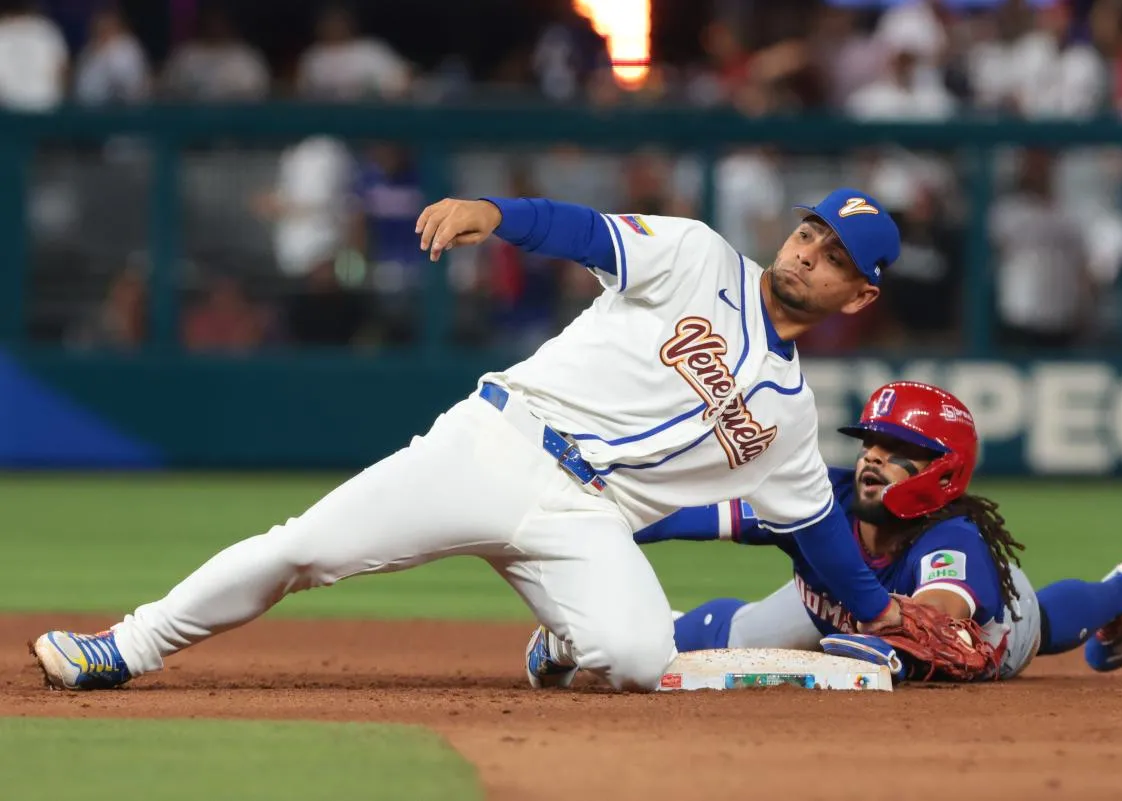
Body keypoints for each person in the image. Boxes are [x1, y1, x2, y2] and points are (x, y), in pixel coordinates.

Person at [33, 188, 904, 694]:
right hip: (498, 445)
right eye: (808, 233)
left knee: (642, 659)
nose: (807, 254)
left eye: (833, 257)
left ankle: (562, 638)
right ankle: (127, 645)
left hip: (586, 517)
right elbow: (585, 231)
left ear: (859, 295)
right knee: (304, 547)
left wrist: (879, 613)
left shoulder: (790, 417)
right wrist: (495, 212)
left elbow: (817, 525)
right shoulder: (699, 255)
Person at [635, 381, 1122, 681]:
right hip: (830, 605)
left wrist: (892, 635)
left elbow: (938, 614)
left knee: (1044, 625)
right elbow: (687, 512)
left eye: (897, 453)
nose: (873, 459)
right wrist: (604, 523)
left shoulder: (954, 540)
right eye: (870, 445)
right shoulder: (825, 494)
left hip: (993, 630)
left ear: (944, 468)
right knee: (729, 639)